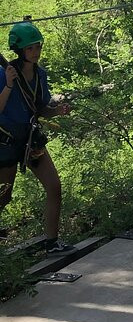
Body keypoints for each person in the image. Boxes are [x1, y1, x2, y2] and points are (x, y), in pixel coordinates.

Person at [0, 22, 76, 257]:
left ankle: (52, 242)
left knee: (54, 186)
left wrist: (57, 111)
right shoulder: (4, 73)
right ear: (19, 49)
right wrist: (9, 85)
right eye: (31, 48)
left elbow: (40, 108)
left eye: (38, 47)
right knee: (3, 196)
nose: (36, 52)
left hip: (31, 139)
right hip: (6, 141)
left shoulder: (40, 74)